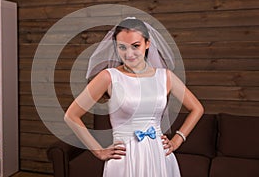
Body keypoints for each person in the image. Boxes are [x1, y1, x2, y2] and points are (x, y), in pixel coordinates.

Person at [64, 18, 204, 176]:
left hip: (159, 155)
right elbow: (71, 115)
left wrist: (178, 139)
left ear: (147, 44)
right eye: (122, 47)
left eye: (135, 46)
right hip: (124, 158)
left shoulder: (165, 77)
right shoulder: (108, 77)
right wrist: (98, 151)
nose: (128, 54)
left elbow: (197, 108)